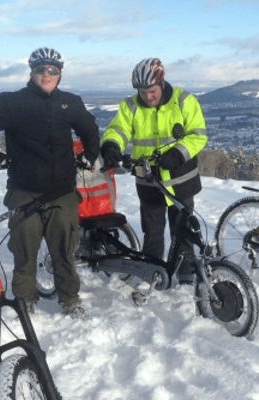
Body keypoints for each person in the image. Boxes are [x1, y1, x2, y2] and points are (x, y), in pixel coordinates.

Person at [0, 47, 99, 318]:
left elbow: (89, 129)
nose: (47, 74)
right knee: (25, 248)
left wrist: (90, 154)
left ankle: (69, 299)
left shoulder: (70, 102)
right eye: (41, 69)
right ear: (32, 72)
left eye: (53, 70)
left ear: (60, 74)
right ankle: (25, 299)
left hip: (62, 190)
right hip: (24, 189)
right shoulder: (13, 102)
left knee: (65, 249)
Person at [100, 57, 208, 283]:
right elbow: (117, 129)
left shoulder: (184, 100)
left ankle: (187, 276)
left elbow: (198, 135)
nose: (148, 97)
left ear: (162, 83)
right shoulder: (130, 106)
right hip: (149, 181)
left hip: (181, 180)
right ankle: (153, 274)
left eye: (152, 91)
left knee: (183, 231)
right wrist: (111, 145)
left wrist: (178, 153)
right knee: (153, 231)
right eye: (142, 92)